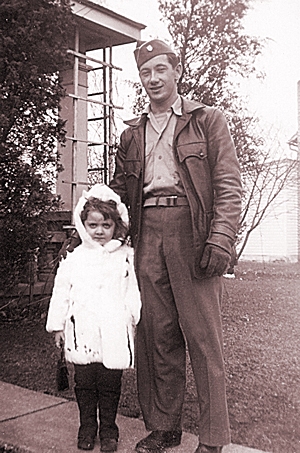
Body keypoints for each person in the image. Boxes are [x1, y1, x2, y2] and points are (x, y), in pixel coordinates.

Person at [109, 39, 242, 453]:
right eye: (146, 73)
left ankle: (213, 438)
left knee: (203, 338)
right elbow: (119, 190)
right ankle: (164, 428)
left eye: (160, 70)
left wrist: (220, 237)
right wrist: (98, 230)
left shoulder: (208, 120)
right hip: (147, 230)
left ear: (176, 72)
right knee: (156, 334)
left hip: (192, 230)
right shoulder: (131, 133)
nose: (153, 79)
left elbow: (228, 185)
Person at [46, 184, 141, 453]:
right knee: (85, 384)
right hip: (82, 330)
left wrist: (134, 316)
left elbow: (132, 289)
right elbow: (61, 291)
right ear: (83, 225)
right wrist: (57, 326)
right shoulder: (74, 258)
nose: (99, 231)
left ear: (116, 226)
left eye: (106, 225)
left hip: (113, 330)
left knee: (110, 385)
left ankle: (109, 430)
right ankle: (87, 427)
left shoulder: (124, 257)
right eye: (93, 225)